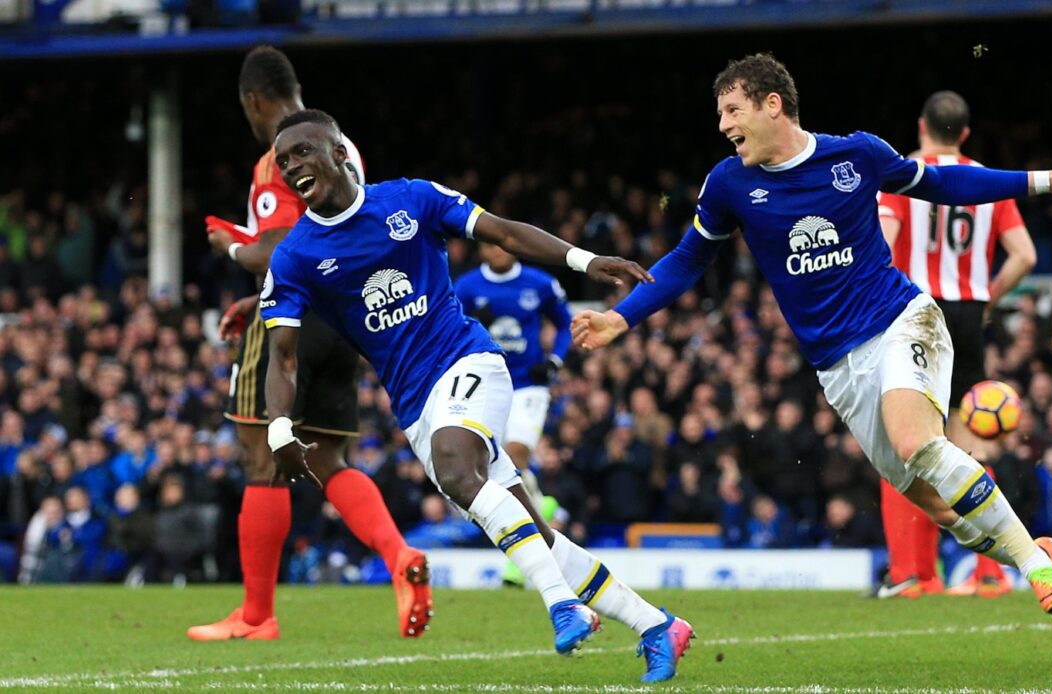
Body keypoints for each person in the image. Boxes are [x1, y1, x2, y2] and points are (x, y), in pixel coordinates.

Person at [573, 52, 1052, 642]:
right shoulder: (729, 183)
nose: (724, 125)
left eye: (732, 109)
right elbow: (688, 260)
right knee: (939, 508)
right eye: (721, 113)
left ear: (771, 104)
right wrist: (621, 319)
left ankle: (1036, 570)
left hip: (902, 320)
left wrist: (1050, 179)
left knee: (919, 444)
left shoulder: (855, 155)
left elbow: (944, 183)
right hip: (837, 368)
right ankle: (1031, 550)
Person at [260, 109, 694, 682]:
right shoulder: (296, 255)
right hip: (414, 404)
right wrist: (278, 427)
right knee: (533, 532)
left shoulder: (410, 200)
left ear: (341, 152)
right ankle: (656, 625)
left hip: (470, 361)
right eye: (282, 161)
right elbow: (282, 354)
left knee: (458, 470)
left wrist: (586, 262)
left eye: (302, 152)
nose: (291, 167)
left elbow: (505, 233)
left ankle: (562, 605)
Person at [189, 46, 431, 642]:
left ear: (252, 101)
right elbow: (325, 241)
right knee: (326, 461)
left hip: (291, 323)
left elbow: (277, 250)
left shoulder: (280, 157)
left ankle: (255, 616)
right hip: (342, 320)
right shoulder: (340, 147)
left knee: (259, 457)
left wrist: (232, 248)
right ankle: (399, 556)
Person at [876, 90, 1039, 599]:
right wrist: (986, 297)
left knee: (905, 442)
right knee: (971, 439)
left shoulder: (903, 174)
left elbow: (883, 244)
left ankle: (914, 573)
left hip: (915, 313)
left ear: (921, 124)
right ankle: (990, 572)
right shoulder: (985, 179)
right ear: (964, 134)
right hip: (967, 314)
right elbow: (1025, 255)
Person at [454, 242, 572, 587]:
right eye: (491, 245)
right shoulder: (467, 287)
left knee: (517, 455)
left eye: (505, 244)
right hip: (487, 382)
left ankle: (520, 558)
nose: (500, 251)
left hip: (528, 386)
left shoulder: (539, 283)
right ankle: (540, 506)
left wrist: (554, 361)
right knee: (493, 466)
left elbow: (565, 324)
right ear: (483, 251)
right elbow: (450, 326)